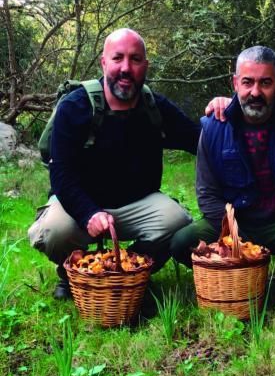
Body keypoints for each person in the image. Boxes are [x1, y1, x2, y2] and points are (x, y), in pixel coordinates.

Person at [28, 27, 215, 300]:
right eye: (118, 58)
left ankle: (128, 272)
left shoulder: (154, 107)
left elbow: (200, 141)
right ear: (104, 62)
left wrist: (222, 111)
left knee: (178, 222)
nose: (126, 68)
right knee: (54, 231)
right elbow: (61, 173)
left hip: (136, 203)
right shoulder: (75, 106)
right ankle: (72, 273)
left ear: (145, 66)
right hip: (81, 205)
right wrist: (88, 213)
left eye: (135, 59)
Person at [170, 45, 275, 301]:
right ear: (236, 82)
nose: (255, 92)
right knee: (182, 243)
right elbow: (207, 196)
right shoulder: (215, 126)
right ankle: (230, 281)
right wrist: (238, 242)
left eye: (266, 83)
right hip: (234, 221)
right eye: (248, 82)